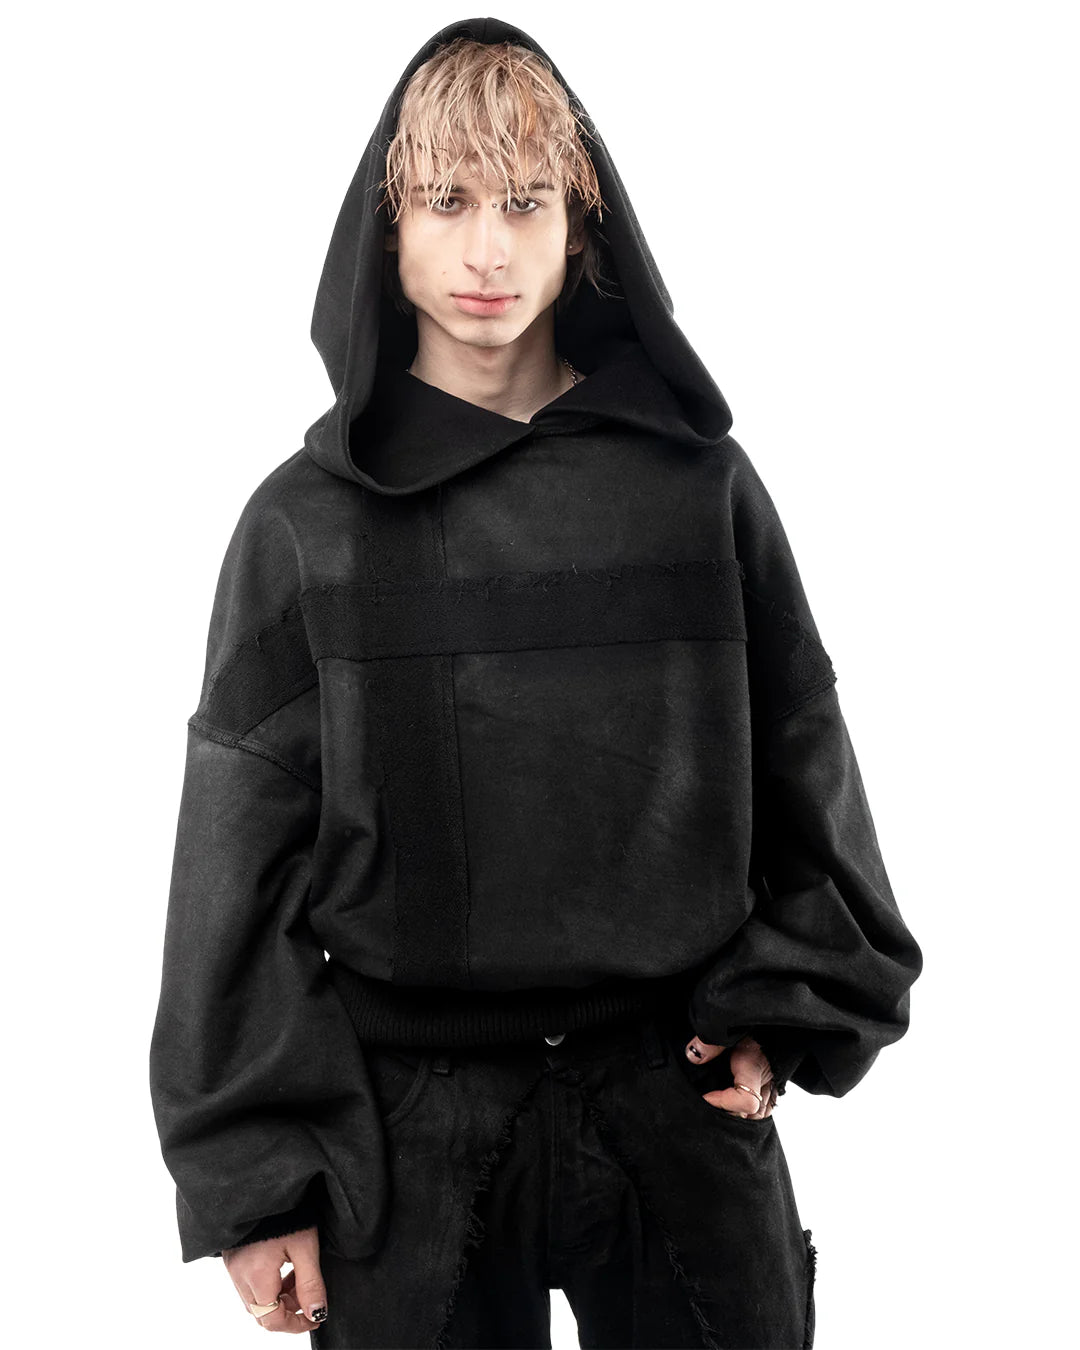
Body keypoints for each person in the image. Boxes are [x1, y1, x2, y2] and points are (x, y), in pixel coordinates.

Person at [148, 16, 924, 1349]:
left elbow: (807, 759)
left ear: (583, 228)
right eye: (447, 202)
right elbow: (236, 868)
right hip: (410, 1112)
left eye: (526, 203)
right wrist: (258, 1177)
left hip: (675, 1085)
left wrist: (784, 1011)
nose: (488, 254)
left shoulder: (699, 491)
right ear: (388, 229)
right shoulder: (306, 524)